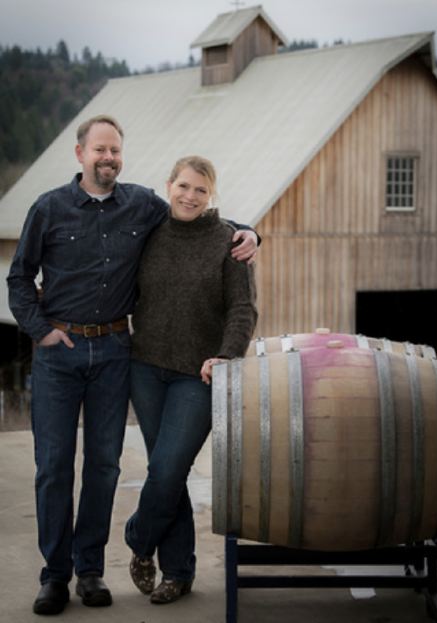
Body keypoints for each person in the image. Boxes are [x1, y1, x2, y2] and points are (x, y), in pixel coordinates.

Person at [7, 115, 259, 616]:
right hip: (63, 354)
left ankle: (90, 571)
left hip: (116, 351)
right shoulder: (49, 208)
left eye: (115, 150)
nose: (108, 158)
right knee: (53, 467)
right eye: (99, 149)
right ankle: (54, 576)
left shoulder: (141, 205)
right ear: (80, 153)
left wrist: (251, 232)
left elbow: (203, 224)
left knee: (106, 466)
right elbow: (19, 277)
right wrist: (41, 330)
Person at [124, 155, 257, 604]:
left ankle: (139, 538)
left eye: (201, 189)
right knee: (169, 472)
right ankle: (178, 573)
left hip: (197, 375)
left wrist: (226, 356)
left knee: (167, 469)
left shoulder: (229, 242)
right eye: (183, 186)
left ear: (211, 195)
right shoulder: (150, 233)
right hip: (145, 368)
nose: (190, 196)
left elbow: (243, 309)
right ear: (169, 185)